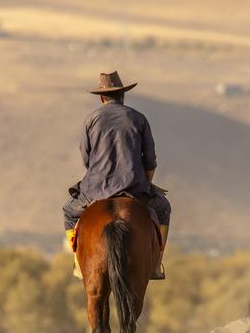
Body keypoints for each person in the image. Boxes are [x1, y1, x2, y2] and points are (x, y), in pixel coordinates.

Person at [62, 71, 171, 279]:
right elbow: (150, 160)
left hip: (95, 188)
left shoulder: (91, 120)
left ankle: (78, 263)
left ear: (102, 98)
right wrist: (146, 184)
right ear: (123, 96)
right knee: (164, 209)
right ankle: (156, 265)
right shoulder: (139, 119)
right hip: (135, 187)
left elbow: (86, 158)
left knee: (69, 212)